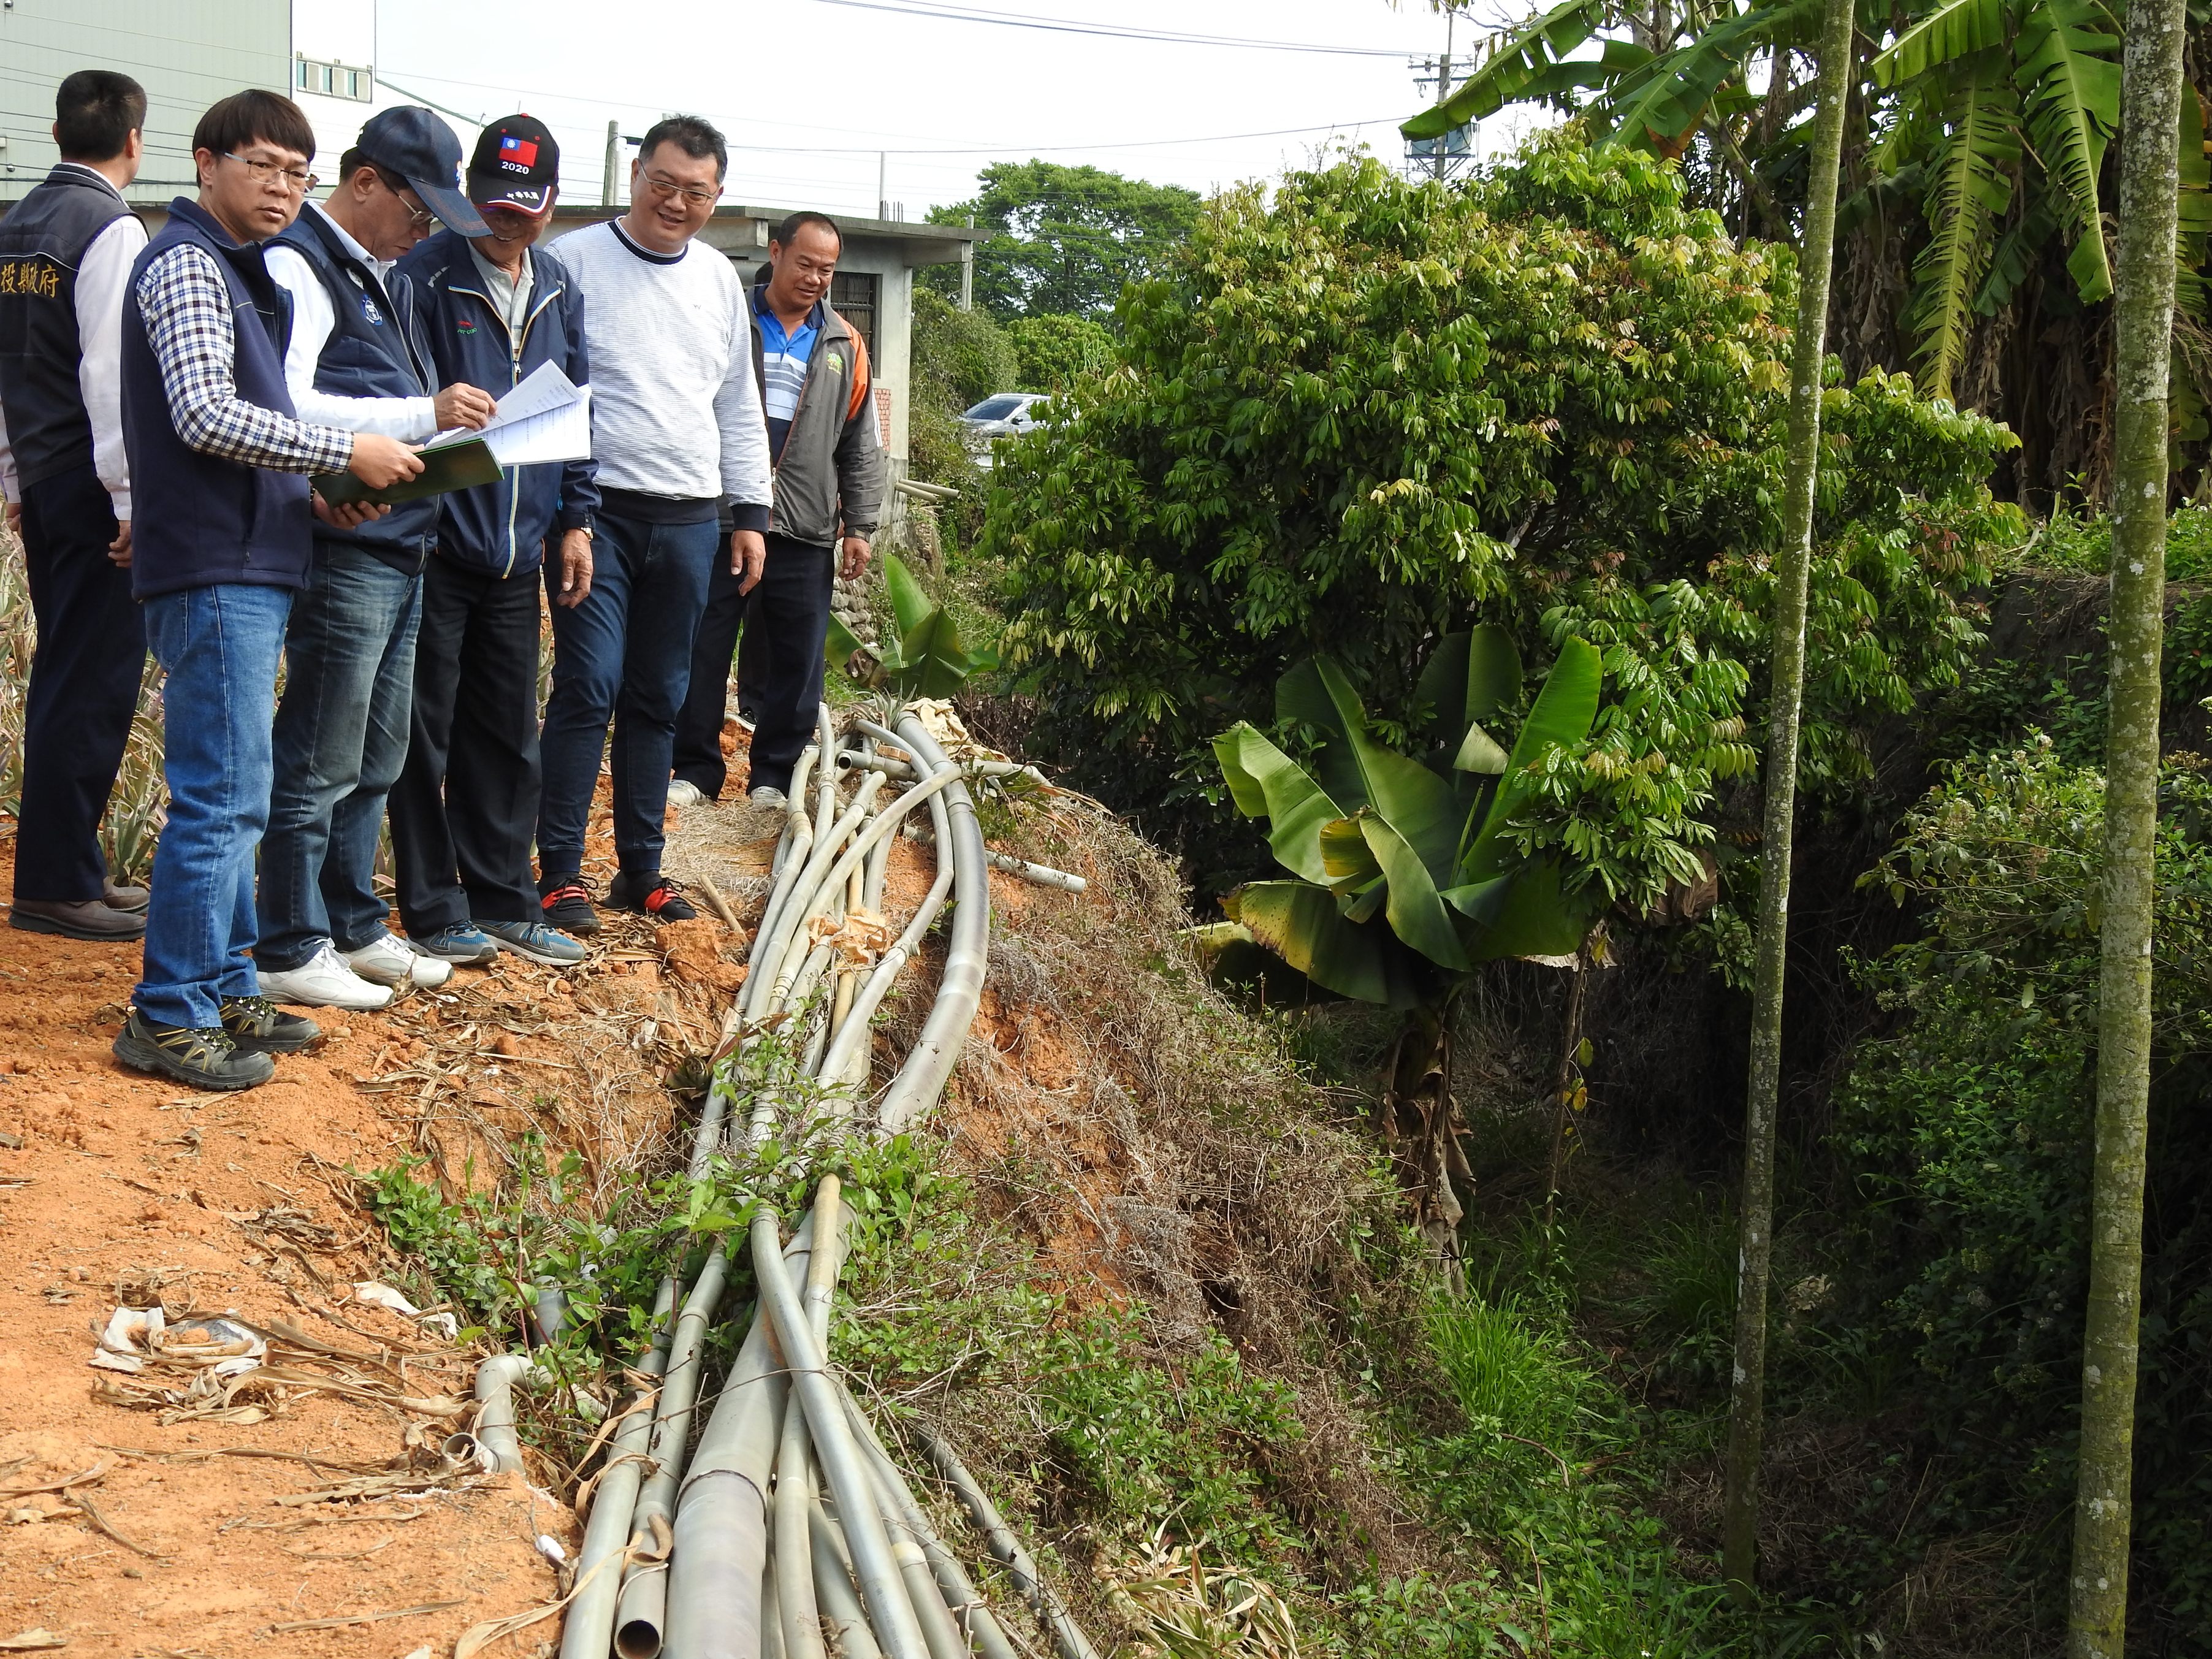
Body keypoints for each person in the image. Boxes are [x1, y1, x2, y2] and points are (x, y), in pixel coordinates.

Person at [113, 88, 422, 1090]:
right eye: (262, 165)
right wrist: (346, 446)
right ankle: (168, 1014)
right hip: (210, 569)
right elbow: (206, 415)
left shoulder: (244, 273)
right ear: (206, 164)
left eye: (297, 170)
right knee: (222, 797)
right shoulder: (188, 263)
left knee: (238, 791)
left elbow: (250, 433)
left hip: (252, 555)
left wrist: (321, 494)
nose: (283, 185)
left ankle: (228, 983)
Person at [252, 107, 493, 1011]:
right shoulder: (298, 265)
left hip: (403, 541)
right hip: (345, 542)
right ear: (365, 183)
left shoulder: (380, 275)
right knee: (318, 750)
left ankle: (352, 922)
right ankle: (288, 936)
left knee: (378, 755)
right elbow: (290, 399)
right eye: (419, 208)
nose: (425, 229)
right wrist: (425, 415)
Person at [538, 115, 771, 932]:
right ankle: (560, 873)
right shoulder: (570, 261)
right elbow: (548, 390)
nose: (676, 202)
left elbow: (738, 405)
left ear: (718, 196)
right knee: (589, 684)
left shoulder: (715, 280)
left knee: (661, 695)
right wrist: (565, 512)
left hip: (691, 517)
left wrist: (749, 513)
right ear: (636, 173)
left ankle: (641, 868)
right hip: (596, 512)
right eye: (663, 183)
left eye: (696, 192)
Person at [388, 115, 593, 970]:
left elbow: (577, 405)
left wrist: (575, 517)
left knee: (508, 733)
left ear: (551, 201)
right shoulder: (421, 279)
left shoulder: (556, 284)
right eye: (494, 202)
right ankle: (433, 906)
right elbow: (397, 407)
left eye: (527, 204)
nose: (510, 219)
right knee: (423, 732)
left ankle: (506, 898)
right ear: (467, 196)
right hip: (439, 543)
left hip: (519, 552)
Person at [0, 71, 151, 940]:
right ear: (135, 141)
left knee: (63, 671)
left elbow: (7, 369)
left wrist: (17, 481)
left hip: (48, 478)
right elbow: (110, 376)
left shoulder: (15, 224)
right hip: (96, 487)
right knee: (91, 682)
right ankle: (58, 884)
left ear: (56, 133)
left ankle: (70, 869)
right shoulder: (111, 227)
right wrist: (131, 496)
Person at [670, 211, 881, 812]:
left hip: (805, 526)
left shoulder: (844, 342)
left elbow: (858, 443)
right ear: (777, 252)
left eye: (828, 269)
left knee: (797, 655)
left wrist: (859, 524)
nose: (816, 278)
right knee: (703, 644)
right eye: (806, 263)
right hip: (721, 516)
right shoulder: (728, 317)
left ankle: (771, 776)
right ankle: (694, 768)